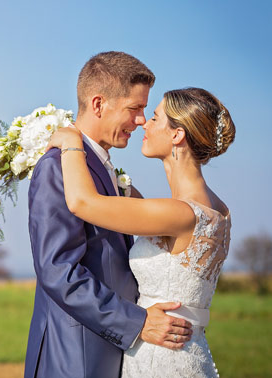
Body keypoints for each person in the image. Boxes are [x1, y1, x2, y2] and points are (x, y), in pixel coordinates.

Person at [24, 51, 193, 378]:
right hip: (75, 357)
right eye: (135, 108)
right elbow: (59, 271)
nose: (142, 120)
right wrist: (137, 322)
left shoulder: (99, 166)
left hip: (112, 351)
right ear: (99, 104)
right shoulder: (58, 167)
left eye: (145, 110)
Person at [46, 86, 235, 377]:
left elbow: (83, 202)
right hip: (185, 350)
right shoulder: (217, 208)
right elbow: (135, 208)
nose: (144, 122)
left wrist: (72, 143)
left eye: (156, 118)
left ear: (177, 135)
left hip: (160, 356)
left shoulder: (179, 213)